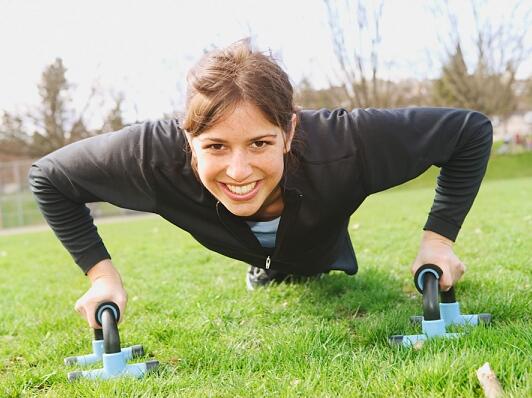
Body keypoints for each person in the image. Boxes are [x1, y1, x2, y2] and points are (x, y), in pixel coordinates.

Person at [28, 39, 493, 329]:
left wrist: (438, 242)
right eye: (214, 147)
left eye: (259, 143)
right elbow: (48, 177)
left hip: (319, 247)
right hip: (249, 248)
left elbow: (469, 131)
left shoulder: (346, 142)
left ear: (289, 132)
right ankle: (267, 266)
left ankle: (287, 264)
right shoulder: (150, 156)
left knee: (310, 263)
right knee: (270, 258)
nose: (238, 170)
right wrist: (102, 276)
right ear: (188, 137)